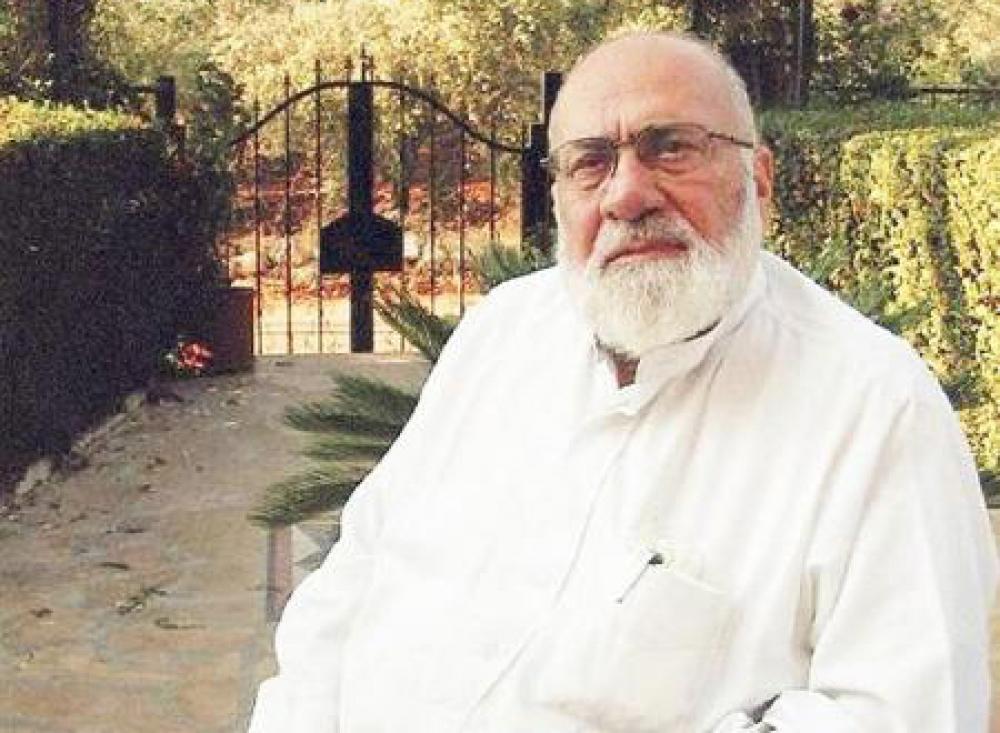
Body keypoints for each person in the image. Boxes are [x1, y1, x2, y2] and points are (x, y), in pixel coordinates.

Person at [248, 31, 997, 732]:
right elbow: (352, 585)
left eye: (670, 148)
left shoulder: (873, 407)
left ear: (759, 180)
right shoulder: (501, 333)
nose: (626, 194)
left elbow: (905, 712)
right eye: (590, 162)